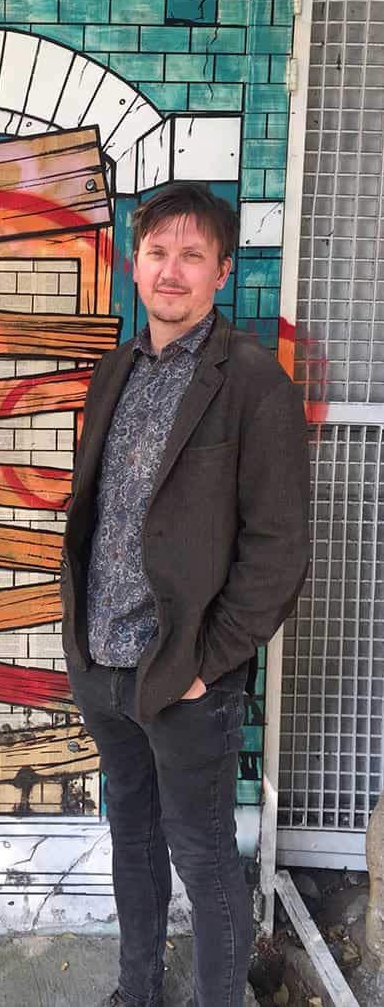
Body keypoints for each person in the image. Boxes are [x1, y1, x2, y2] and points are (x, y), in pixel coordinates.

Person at [61, 183, 310, 1007]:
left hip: (187, 678)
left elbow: (278, 552)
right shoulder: (114, 373)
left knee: (203, 855)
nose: (173, 270)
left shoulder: (253, 385)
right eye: (159, 252)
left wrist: (206, 663)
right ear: (135, 265)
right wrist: (81, 646)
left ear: (221, 271)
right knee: (131, 836)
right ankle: (137, 992)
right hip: (103, 665)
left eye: (192, 255)